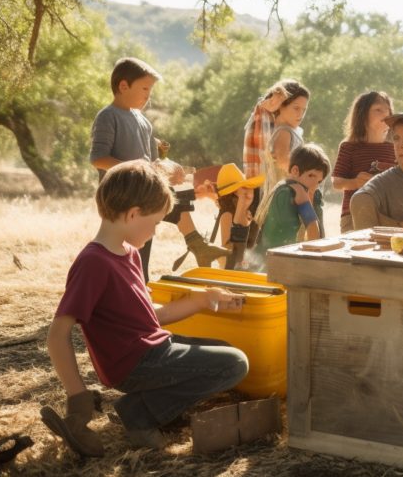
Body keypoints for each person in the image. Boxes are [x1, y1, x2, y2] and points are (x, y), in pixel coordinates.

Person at [40, 161, 249, 456]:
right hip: (135, 362)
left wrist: (203, 299)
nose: (154, 231)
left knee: (224, 350)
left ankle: (142, 406)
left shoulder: (129, 254)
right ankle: (140, 413)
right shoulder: (93, 262)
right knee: (234, 363)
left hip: (153, 349)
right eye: (154, 223)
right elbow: (57, 335)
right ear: (133, 214)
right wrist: (78, 398)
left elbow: (152, 316)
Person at [90, 58, 228, 280]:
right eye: (145, 88)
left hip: (144, 193)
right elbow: (98, 158)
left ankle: (190, 249)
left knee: (146, 244)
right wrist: (139, 168)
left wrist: (170, 169)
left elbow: (153, 162)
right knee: (122, 253)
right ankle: (125, 289)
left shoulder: (143, 122)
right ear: (123, 86)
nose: (148, 95)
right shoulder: (108, 116)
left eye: (150, 90)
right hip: (121, 197)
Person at [332, 92, 397, 233]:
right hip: (353, 215)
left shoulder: (396, 147)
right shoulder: (348, 146)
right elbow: (336, 183)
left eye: (388, 111)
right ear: (362, 114)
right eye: (378, 110)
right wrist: (355, 183)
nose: (386, 115)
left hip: (387, 215)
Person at [262, 143, 330, 249]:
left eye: (319, 181)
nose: (315, 184)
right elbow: (310, 230)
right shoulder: (287, 192)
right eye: (311, 175)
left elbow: (319, 235)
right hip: (277, 256)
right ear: (295, 170)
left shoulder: (315, 194)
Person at [212, 164, 265, 270]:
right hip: (236, 271)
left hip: (248, 267)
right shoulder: (227, 215)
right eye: (244, 188)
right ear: (234, 195)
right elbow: (228, 249)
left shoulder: (248, 212)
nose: (249, 191)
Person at [243, 82, 288, 203]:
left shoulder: (261, 112)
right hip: (261, 179)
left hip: (256, 177)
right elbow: (264, 147)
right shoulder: (264, 115)